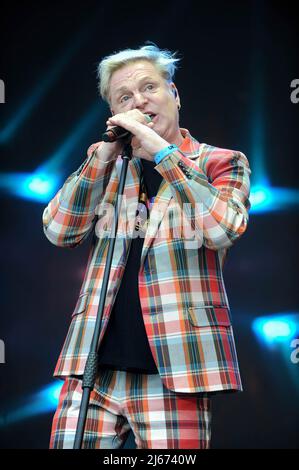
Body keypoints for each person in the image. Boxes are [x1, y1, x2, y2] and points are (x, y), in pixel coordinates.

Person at [43, 43, 251, 449]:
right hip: (92, 367)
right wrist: (103, 155)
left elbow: (222, 228)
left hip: (176, 365)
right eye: (125, 97)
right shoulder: (107, 164)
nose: (139, 100)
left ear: (174, 94)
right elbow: (58, 230)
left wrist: (162, 154)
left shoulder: (221, 162)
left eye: (149, 87)